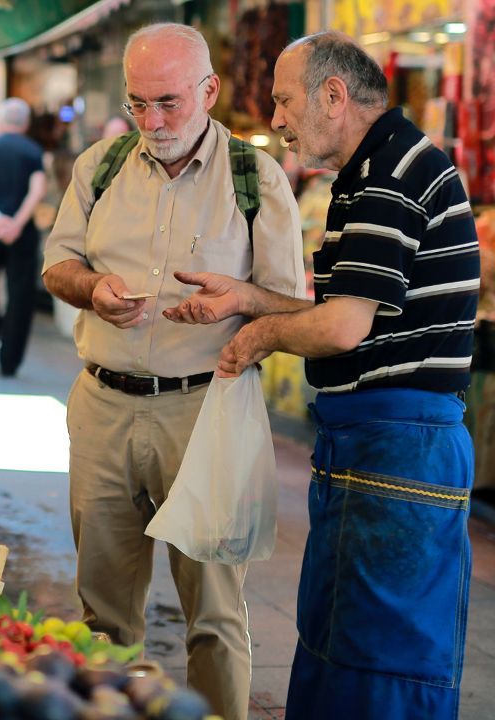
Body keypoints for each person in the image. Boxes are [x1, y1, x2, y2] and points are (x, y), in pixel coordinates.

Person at [166, 32, 478, 720]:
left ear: (333, 96)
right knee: (350, 644)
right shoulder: (379, 168)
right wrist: (247, 298)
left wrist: (258, 336)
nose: (275, 120)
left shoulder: (387, 176)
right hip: (384, 450)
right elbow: (348, 313)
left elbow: (341, 330)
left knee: (375, 661)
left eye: (283, 101)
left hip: (397, 450)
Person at [40, 23, 305, 720]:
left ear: (208, 91)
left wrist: (240, 302)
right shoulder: (97, 166)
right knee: (101, 613)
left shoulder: (256, 178)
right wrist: (91, 289)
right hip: (103, 407)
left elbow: (291, 306)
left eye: (168, 103)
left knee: (215, 614)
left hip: (205, 413)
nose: (152, 122)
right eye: (138, 104)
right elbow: (58, 264)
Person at [0, 98, 47, 376]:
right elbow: (37, 190)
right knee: (20, 296)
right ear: (25, 123)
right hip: (22, 234)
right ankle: (10, 361)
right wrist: (16, 223)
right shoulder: (33, 150)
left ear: (0, 120)